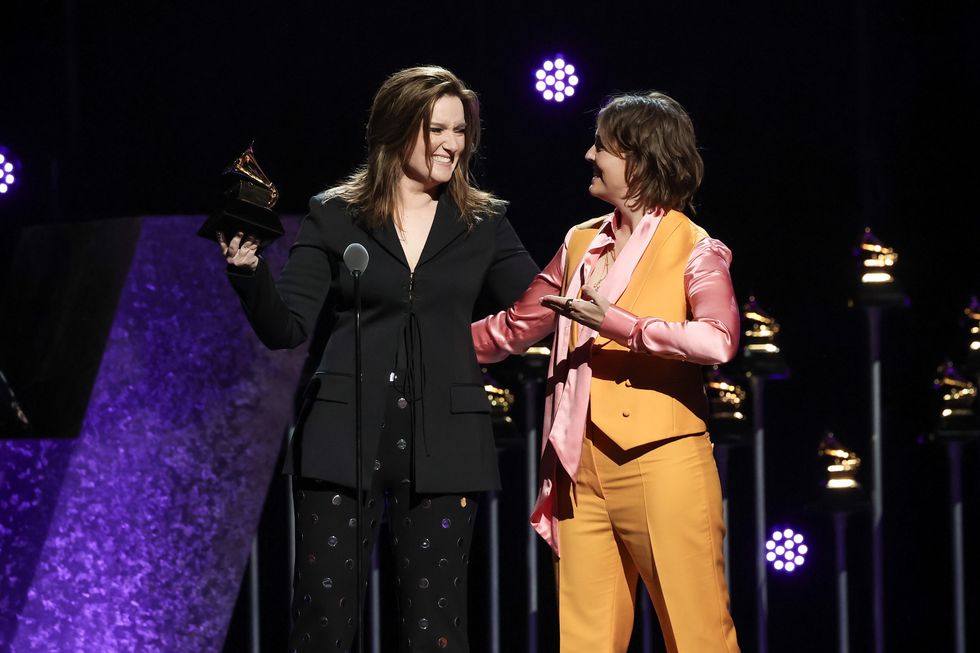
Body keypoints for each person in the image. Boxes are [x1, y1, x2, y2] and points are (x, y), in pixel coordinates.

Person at [218, 66, 538, 653]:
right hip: (342, 434)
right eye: (436, 129)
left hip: (446, 439)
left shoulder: (483, 222)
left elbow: (541, 302)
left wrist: (605, 256)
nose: (451, 144)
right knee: (323, 622)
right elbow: (286, 327)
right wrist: (248, 273)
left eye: (460, 131)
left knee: (435, 628)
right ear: (396, 129)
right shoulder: (334, 214)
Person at [472, 91, 741, 652]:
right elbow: (516, 326)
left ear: (638, 161)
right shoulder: (580, 242)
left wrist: (618, 323)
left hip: (662, 463)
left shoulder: (695, 247)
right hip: (579, 469)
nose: (589, 155)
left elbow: (718, 340)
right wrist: (421, 345)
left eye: (602, 146)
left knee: (698, 636)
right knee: (584, 641)